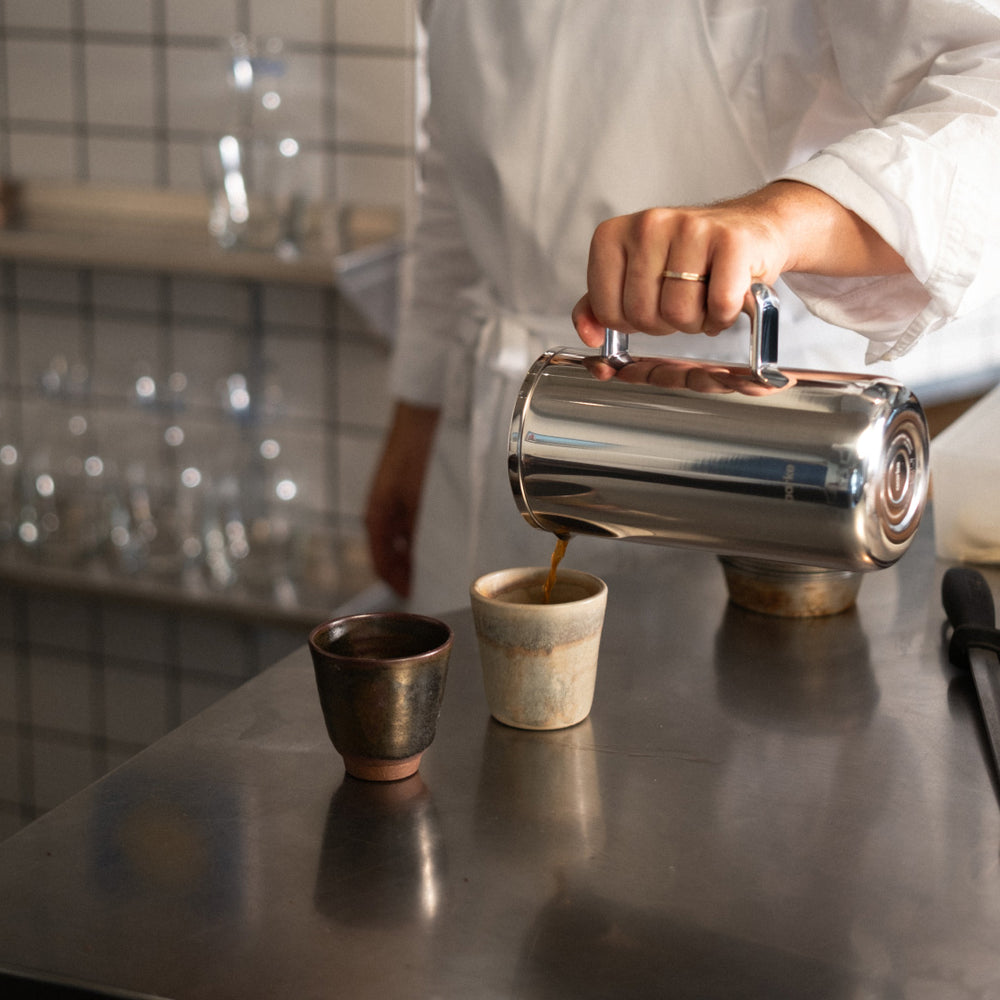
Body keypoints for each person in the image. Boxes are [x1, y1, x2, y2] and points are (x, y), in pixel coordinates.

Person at [367, 1, 1000, 613]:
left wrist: (778, 219)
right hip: (490, 434)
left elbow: (987, 90)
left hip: (743, 465)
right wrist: (414, 419)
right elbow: (453, 189)